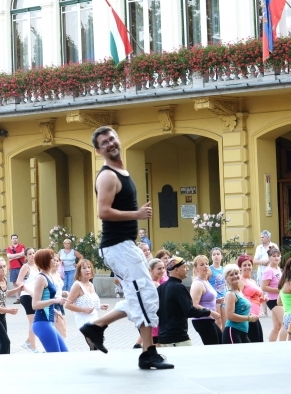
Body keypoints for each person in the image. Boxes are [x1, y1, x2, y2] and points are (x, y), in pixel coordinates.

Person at [81, 126, 171, 369]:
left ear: (118, 139)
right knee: (145, 294)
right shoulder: (108, 175)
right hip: (117, 246)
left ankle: (95, 326)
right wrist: (138, 214)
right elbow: (103, 211)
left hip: (124, 246)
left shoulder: (122, 171)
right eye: (104, 142)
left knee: (140, 294)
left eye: (112, 138)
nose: (110, 143)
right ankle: (148, 352)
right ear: (99, 150)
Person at [157, 256, 218, 347]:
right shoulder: (179, 287)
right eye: (184, 267)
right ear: (176, 270)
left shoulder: (161, 288)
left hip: (163, 337)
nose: (187, 269)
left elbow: (156, 311)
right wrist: (208, 312)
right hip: (177, 338)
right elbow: (189, 311)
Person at [31, 249, 68, 352]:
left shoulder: (49, 275)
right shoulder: (41, 278)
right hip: (42, 323)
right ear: (45, 260)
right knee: (56, 357)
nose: (55, 260)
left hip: (48, 322)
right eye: (52, 258)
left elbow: (45, 298)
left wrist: (53, 310)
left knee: (65, 353)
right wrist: (54, 301)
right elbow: (35, 304)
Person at [0, 258, 21, 355]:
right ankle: (4, 364)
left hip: (1, 316)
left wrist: (18, 289)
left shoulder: (5, 280)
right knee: (5, 342)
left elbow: (5, 293)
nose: (3, 269)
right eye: (0, 267)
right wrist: (8, 310)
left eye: (4, 266)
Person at [66, 259, 108, 335]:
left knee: (95, 344)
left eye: (89, 267)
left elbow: (90, 303)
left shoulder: (91, 284)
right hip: (83, 319)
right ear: (79, 272)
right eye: (84, 268)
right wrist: (83, 310)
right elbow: (67, 305)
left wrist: (100, 306)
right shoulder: (77, 285)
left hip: (94, 317)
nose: (87, 270)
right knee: (94, 342)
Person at [190, 255, 223, 345]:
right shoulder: (197, 284)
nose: (205, 266)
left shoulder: (205, 281)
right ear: (196, 268)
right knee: (213, 346)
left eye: (206, 264)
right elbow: (194, 304)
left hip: (208, 319)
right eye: (202, 264)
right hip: (202, 320)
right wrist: (212, 313)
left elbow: (206, 299)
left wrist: (217, 301)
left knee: (220, 342)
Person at [221, 263, 256, 344]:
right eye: (231, 275)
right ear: (226, 278)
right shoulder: (230, 294)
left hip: (243, 332)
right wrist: (249, 318)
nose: (235, 276)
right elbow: (230, 316)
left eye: (236, 273)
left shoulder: (239, 291)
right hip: (232, 331)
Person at [16, 247, 40, 353]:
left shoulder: (37, 267)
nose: (32, 255)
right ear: (26, 256)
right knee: (33, 322)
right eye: (30, 254)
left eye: (34, 253)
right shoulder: (26, 267)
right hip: (26, 296)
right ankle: (33, 348)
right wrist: (29, 291)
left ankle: (27, 342)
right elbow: (18, 282)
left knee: (37, 321)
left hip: (35, 296)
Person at [238, 255, 265, 343]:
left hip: (256, 315)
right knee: (254, 341)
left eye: (249, 265)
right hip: (249, 315)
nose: (247, 267)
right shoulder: (241, 281)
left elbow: (254, 297)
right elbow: (239, 298)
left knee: (259, 340)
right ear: (240, 267)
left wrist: (261, 300)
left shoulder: (252, 281)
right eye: (244, 265)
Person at [261, 248, 284, 342]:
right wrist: (279, 290)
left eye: (278, 256)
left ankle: (270, 345)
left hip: (280, 299)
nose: (276, 258)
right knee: (285, 324)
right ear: (269, 258)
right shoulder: (268, 270)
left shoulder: (278, 269)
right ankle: (284, 345)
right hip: (273, 300)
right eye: (274, 256)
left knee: (277, 326)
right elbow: (264, 287)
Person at [210, 247, 227, 329]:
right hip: (215, 300)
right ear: (211, 257)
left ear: (221, 256)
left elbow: (225, 284)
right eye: (214, 254)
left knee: (225, 322)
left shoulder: (224, 270)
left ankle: (225, 339)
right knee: (218, 321)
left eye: (218, 254)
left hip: (223, 298)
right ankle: (219, 340)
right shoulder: (209, 269)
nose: (216, 256)